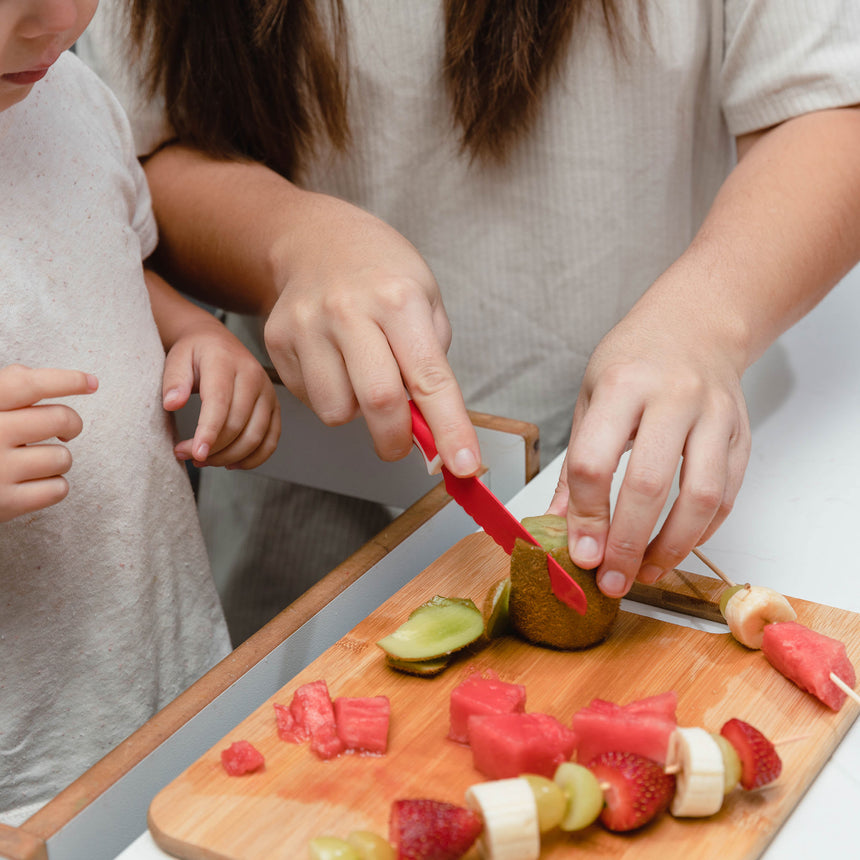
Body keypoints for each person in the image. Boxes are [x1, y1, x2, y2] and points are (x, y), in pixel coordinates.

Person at [78, 2, 860, 627]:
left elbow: (825, 107)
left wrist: (704, 322)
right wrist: (292, 238)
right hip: (302, 527)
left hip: (675, 508)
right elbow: (129, 151)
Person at [0, 0, 280, 824]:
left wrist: (195, 330)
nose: (60, 14)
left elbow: (106, 252)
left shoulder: (71, 91)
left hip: (173, 696)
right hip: (27, 792)